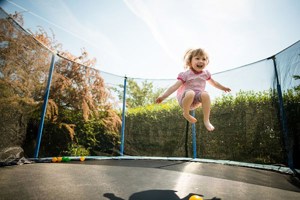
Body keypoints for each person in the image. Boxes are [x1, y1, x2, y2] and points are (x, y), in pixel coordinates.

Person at [156, 48, 231, 131]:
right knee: (191, 93)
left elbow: (214, 83)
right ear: (190, 61)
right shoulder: (186, 74)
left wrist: (223, 88)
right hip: (185, 99)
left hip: (196, 100)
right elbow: (174, 87)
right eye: (197, 58)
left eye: (204, 59)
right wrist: (163, 97)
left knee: (205, 94)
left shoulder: (205, 74)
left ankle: (206, 120)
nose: (201, 61)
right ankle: (186, 113)